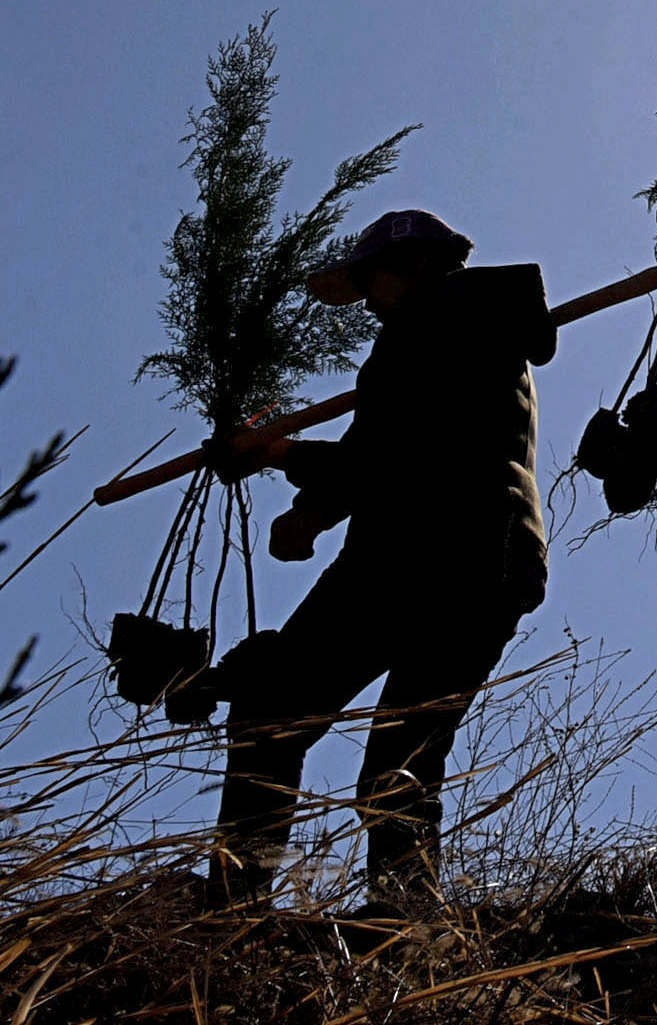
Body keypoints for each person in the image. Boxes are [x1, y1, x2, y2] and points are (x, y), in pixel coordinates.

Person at [208, 208, 558, 913]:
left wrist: (278, 453)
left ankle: (235, 904)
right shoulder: (471, 323)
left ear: (418, 265)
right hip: (480, 561)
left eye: (371, 281)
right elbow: (407, 449)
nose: (365, 301)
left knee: (273, 709)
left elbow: (386, 455)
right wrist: (311, 513)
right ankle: (405, 922)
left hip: (423, 554)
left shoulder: (436, 314)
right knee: (400, 764)